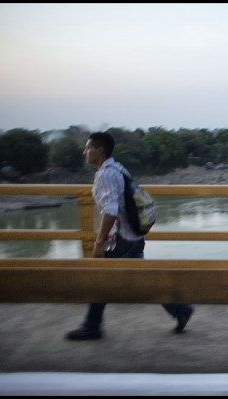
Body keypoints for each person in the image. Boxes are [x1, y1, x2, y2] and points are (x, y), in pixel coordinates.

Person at [65, 132, 193, 341]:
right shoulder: (118, 168)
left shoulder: (106, 174)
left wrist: (99, 242)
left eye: (88, 148)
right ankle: (180, 310)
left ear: (99, 150)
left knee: (100, 281)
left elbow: (111, 210)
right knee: (143, 280)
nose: (84, 152)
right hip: (134, 235)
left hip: (120, 240)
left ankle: (92, 326)